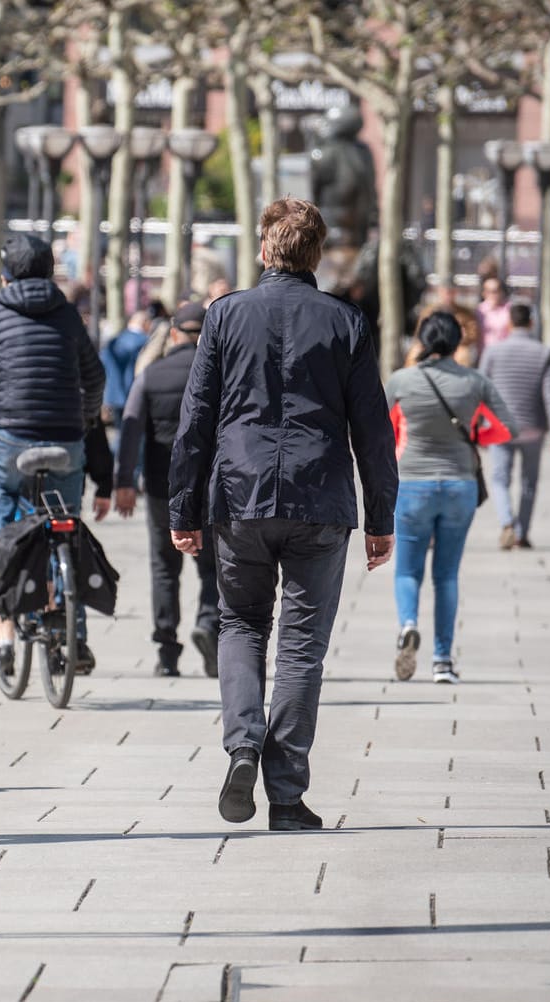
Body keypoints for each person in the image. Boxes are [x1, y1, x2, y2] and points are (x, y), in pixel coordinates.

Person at [169, 197, 398, 833]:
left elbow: (196, 420)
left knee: (240, 624)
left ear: (266, 251)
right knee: (302, 648)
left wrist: (182, 507)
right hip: (319, 496)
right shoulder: (346, 321)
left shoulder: (224, 316)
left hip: (239, 495)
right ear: (316, 255)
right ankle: (288, 795)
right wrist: (382, 516)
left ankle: (243, 745)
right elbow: (373, 429)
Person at [0, 234, 106, 676]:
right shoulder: (68, 314)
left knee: (2, 523)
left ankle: (4, 632)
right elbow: (95, 376)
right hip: (66, 439)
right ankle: (73, 635)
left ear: (5, 274)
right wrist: (87, 417)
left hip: (13, 438)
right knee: (67, 525)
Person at [386, 312, 515, 684]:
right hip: (460, 485)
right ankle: (442, 660)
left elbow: (379, 428)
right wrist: (475, 437)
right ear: (458, 340)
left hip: (412, 484)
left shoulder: (402, 380)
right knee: (447, 574)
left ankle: (408, 624)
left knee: (408, 570)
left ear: (422, 340)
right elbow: (508, 427)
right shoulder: (475, 382)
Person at [113, 302, 218, 678]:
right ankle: (209, 624)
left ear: (173, 334)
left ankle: (167, 652)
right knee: (214, 566)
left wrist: (124, 481)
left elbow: (130, 428)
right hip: (212, 488)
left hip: (162, 488)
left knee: (164, 568)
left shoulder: (152, 376)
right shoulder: (221, 376)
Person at [479, 301, 550, 550]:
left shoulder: (493, 352)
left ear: (509, 323)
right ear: (532, 323)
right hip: (532, 427)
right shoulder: (544, 353)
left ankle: (507, 522)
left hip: (500, 427)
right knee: (529, 482)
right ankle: (522, 532)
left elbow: (481, 390)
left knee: (499, 479)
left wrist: (480, 426)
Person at [102, 308, 151, 424]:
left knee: (120, 433)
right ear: (145, 323)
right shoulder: (144, 341)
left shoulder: (113, 341)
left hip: (114, 395)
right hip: (133, 394)